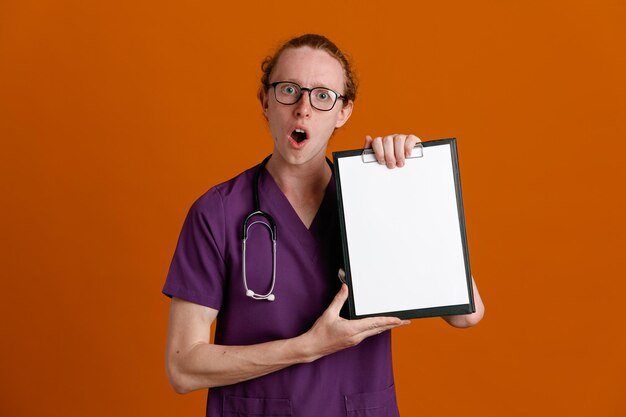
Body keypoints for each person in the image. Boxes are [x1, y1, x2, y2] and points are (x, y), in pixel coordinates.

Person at [163, 34, 484, 417]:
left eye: (322, 96)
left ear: (344, 111)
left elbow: (467, 315)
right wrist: (308, 346)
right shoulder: (216, 213)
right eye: (288, 90)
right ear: (265, 101)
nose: (303, 109)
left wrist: (411, 185)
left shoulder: (374, 200)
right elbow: (183, 368)